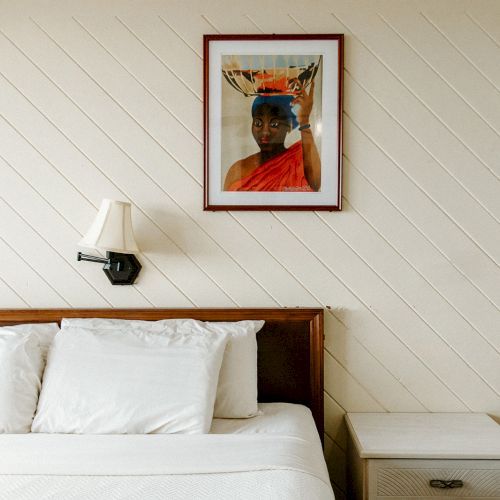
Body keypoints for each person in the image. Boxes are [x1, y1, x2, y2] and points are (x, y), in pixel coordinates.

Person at [224, 80, 321, 192]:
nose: (265, 132)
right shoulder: (237, 170)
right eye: (258, 123)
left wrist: (304, 122)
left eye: (274, 124)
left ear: (288, 127)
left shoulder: (299, 159)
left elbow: (315, 184)